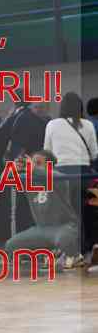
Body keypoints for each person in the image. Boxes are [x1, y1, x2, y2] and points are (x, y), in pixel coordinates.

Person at [5, 150, 79, 270]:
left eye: (38, 163)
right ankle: (48, 254)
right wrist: (13, 168)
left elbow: (48, 175)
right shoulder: (28, 179)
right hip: (41, 228)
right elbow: (4, 181)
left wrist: (32, 168)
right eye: (32, 162)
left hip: (63, 226)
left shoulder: (59, 177)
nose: (33, 165)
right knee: (11, 245)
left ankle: (74, 256)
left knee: (64, 239)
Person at [45, 92, 98, 259]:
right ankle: (87, 248)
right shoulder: (88, 125)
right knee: (87, 212)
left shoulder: (52, 125)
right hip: (84, 174)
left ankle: (69, 251)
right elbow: (94, 153)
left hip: (61, 175)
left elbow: (47, 152)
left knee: (66, 214)